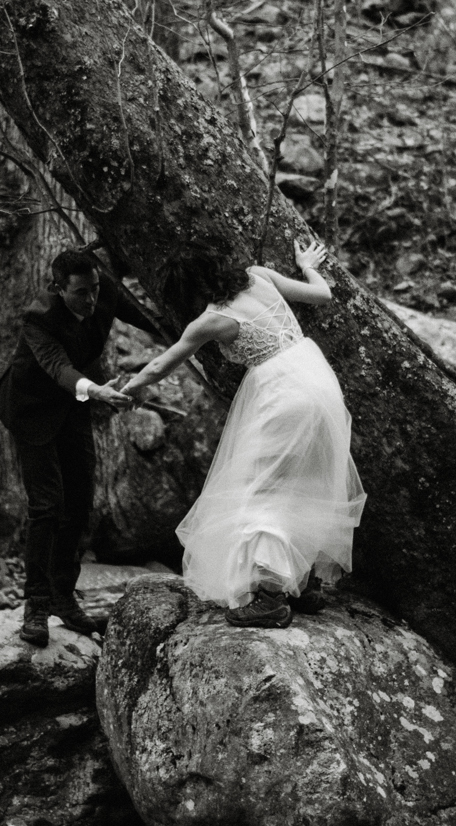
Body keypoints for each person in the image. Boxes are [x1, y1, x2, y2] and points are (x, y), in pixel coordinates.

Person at [119, 238, 365, 629]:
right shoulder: (258, 277)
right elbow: (322, 294)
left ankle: (270, 597)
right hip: (316, 375)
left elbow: (161, 364)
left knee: (259, 486)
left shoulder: (211, 320)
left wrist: (127, 390)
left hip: (284, 392)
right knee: (310, 477)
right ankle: (306, 582)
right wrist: (306, 265)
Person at [0, 246, 156, 646]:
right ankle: (36, 606)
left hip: (73, 409)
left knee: (81, 500)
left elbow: (152, 321)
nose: (91, 300)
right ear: (58, 288)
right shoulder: (39, 317)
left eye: (95, 289)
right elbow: (58, 368)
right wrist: (97, 390)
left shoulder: (105, 292)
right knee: (46, 505)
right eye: (81, 292)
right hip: (31, 412)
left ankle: (64, 597)